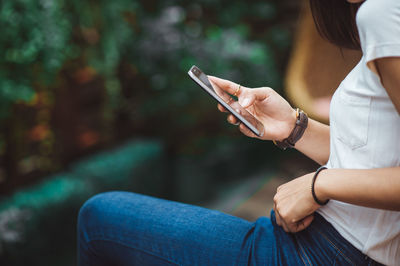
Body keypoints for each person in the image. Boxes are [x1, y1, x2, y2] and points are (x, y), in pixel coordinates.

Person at [77, 0, 400, 265]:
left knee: (99, 220)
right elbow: (380, 151)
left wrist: (319, 184)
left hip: (329, 252)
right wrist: (293, 127)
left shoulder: (383, 13)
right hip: (339, 245)